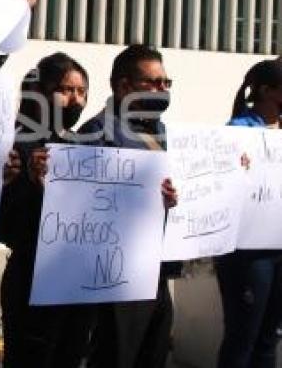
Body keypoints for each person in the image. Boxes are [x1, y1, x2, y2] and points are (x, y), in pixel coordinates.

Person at [78, 44, 179, 368]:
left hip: (157, 270)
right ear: (124, 87)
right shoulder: (98, 132)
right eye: (154, 83)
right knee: (117, 355)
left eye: (166, 83)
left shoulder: (158, 130)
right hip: (117, 276)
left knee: (154, 352)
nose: (163, 90)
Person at [0, 52, 94, 367]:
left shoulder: (83, 146)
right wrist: (31, 184)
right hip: (32, 282)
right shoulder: (15, 145)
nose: (75, 100)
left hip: (76, 284)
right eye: (65, 90)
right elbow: (4, 227)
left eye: (81, 92)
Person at [215, 59, 282, 368]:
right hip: (248, 252)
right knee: (244, 335)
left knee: (269, 337)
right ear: (267, 91)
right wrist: (233, 165)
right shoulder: (238, 131)